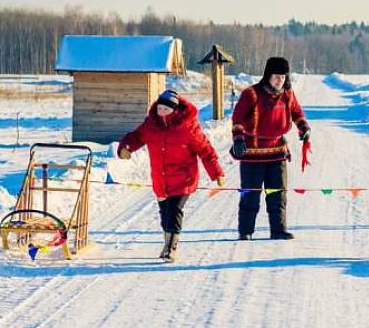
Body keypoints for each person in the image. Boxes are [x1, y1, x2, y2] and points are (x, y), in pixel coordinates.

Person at [118, 90, 224, 262]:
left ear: (175, 110)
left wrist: (217, 173)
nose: (161, 112)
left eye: (166, 109)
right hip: (160, 179)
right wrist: (126, 147)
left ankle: (171, 248)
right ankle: (167, 242)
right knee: (165, 215)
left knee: (174, 211)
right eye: (159, 108)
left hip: (183, 179)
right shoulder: (151, 125)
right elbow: (136, 136)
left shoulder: (188, 127)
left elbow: (206, 150)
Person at [230, 57, 310, 240]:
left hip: (277, 153)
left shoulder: (288, 94)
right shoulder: (251, 94)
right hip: (252, 154)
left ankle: (278, 230)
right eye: (276, 76)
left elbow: (297, 113)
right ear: (268, 76)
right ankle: (246, 231)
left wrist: (304, 128)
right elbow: (238, 118)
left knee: (278, 195)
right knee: (251, 195)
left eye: (283, 77)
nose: (279, 80)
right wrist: (238, 139)